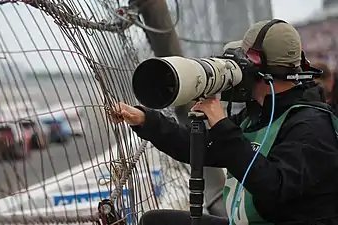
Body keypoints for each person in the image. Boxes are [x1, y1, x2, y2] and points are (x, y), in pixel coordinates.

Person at [110, 19, 338, 225]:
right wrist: (146, 120)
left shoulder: (313, 127)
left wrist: (223, 126)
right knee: (156, 221)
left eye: (243, 60)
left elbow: (272, 186)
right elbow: (199, 147)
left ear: (259, 69)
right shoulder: (259, 114)